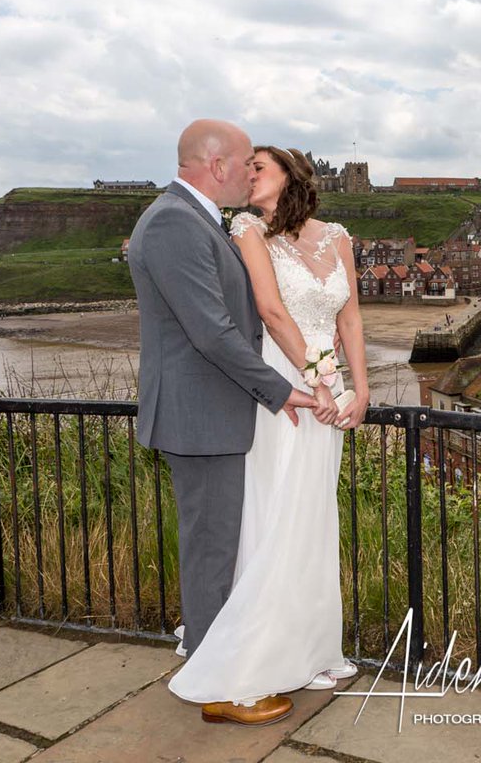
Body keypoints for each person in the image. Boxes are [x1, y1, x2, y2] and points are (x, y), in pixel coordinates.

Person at [128, 120, 321, 726]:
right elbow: (211, 330)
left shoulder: (190, 219)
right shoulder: (172, 222)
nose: (248, 173)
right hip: (198, 418)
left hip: (206, 414)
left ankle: (222, 671)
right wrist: (280, 389)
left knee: (216, 549)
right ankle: (220, 690)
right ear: (215, 165)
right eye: (243, 164)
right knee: (212, 554)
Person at [166, 144, 371, 712]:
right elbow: (272, 312)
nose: (248, 175)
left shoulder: (337, 237)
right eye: (246, 167)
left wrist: (363, 385)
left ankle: (310, 646)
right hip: (285, 381)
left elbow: (349, 314)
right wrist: (316, 381)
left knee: (313, 514)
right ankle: (261, 654)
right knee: (278, 510)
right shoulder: (248, 232)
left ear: (290, 175)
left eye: (259, 167)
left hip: (329, 381)